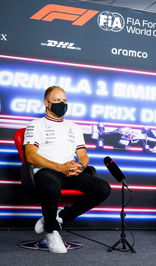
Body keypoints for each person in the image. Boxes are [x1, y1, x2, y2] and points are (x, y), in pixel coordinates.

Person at [24, 86, 111, 253]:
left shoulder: (74, 127)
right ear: (46, 103)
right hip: (47, 170)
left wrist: (80, 166)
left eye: (64, 101)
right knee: (50, 184)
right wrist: (59, 167)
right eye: (57, 101)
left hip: (69, 172)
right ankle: (51, 231)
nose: (62, 104)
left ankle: (60, 217)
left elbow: (84, 156)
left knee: (102, 188)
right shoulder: (35, 125)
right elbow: (30, 156)